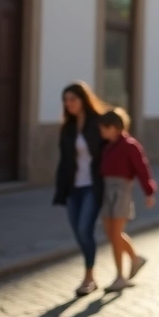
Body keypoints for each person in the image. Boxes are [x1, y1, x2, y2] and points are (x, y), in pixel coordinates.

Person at [52, 82, 108, 297]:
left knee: (85, 230)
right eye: (66, 100)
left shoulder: (97, 123)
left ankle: (89, 277)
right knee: (78, 232)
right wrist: (60, 188)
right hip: (72, 188)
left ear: (83, 100)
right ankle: (91, 272)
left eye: (73, 99)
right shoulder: (67, 127)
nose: (69, 104)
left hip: (92, 186)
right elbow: (64, 160)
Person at [97, 107, 157, 292]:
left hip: (121, 192)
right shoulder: (107, 146)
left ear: (114, 127)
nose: (102, 131)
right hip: (106, 191)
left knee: (116, 234)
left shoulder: (130, 145)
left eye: (104, 128)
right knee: (110, 233)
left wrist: (148, 192)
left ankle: (120, 277)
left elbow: (142, 168)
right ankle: (136, 259)